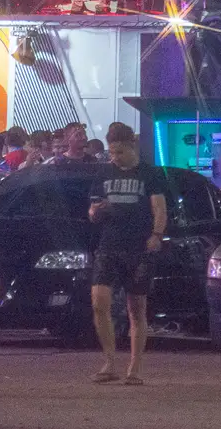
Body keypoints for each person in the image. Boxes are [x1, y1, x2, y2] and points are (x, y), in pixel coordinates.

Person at [88, 122, 166, 386]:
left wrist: (157, 234)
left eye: (120, 152)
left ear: (132, 146)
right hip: (109, 244)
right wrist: (97, 211)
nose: (115, 157)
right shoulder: (104, 173)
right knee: (99, 302)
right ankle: (109, 361)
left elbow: (159, 208)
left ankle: (134, 367)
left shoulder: (149, 173)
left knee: (136, 307)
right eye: (112, 152)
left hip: (137, 246)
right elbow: (92, 210)